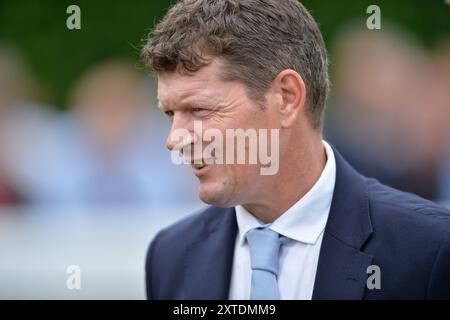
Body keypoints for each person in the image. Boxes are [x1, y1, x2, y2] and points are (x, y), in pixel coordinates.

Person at [141, 0, 450, 299]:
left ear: (286, 98)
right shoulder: (170, 258)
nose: (174, 139)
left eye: (199, 110)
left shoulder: (428, 249)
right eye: (170, 114)